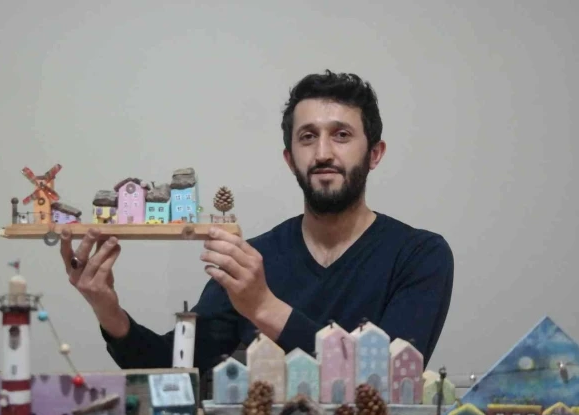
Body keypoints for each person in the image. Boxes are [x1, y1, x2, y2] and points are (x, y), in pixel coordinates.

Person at [59, 70, 454, 377]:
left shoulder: (419, 256)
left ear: (374, 154)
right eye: (307, 137)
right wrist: (108, 310)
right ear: (290, 159)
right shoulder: (252, 260)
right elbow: (173, 368)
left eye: (341, 135)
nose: (322, 153)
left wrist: (263, 306)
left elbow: (388, 377)